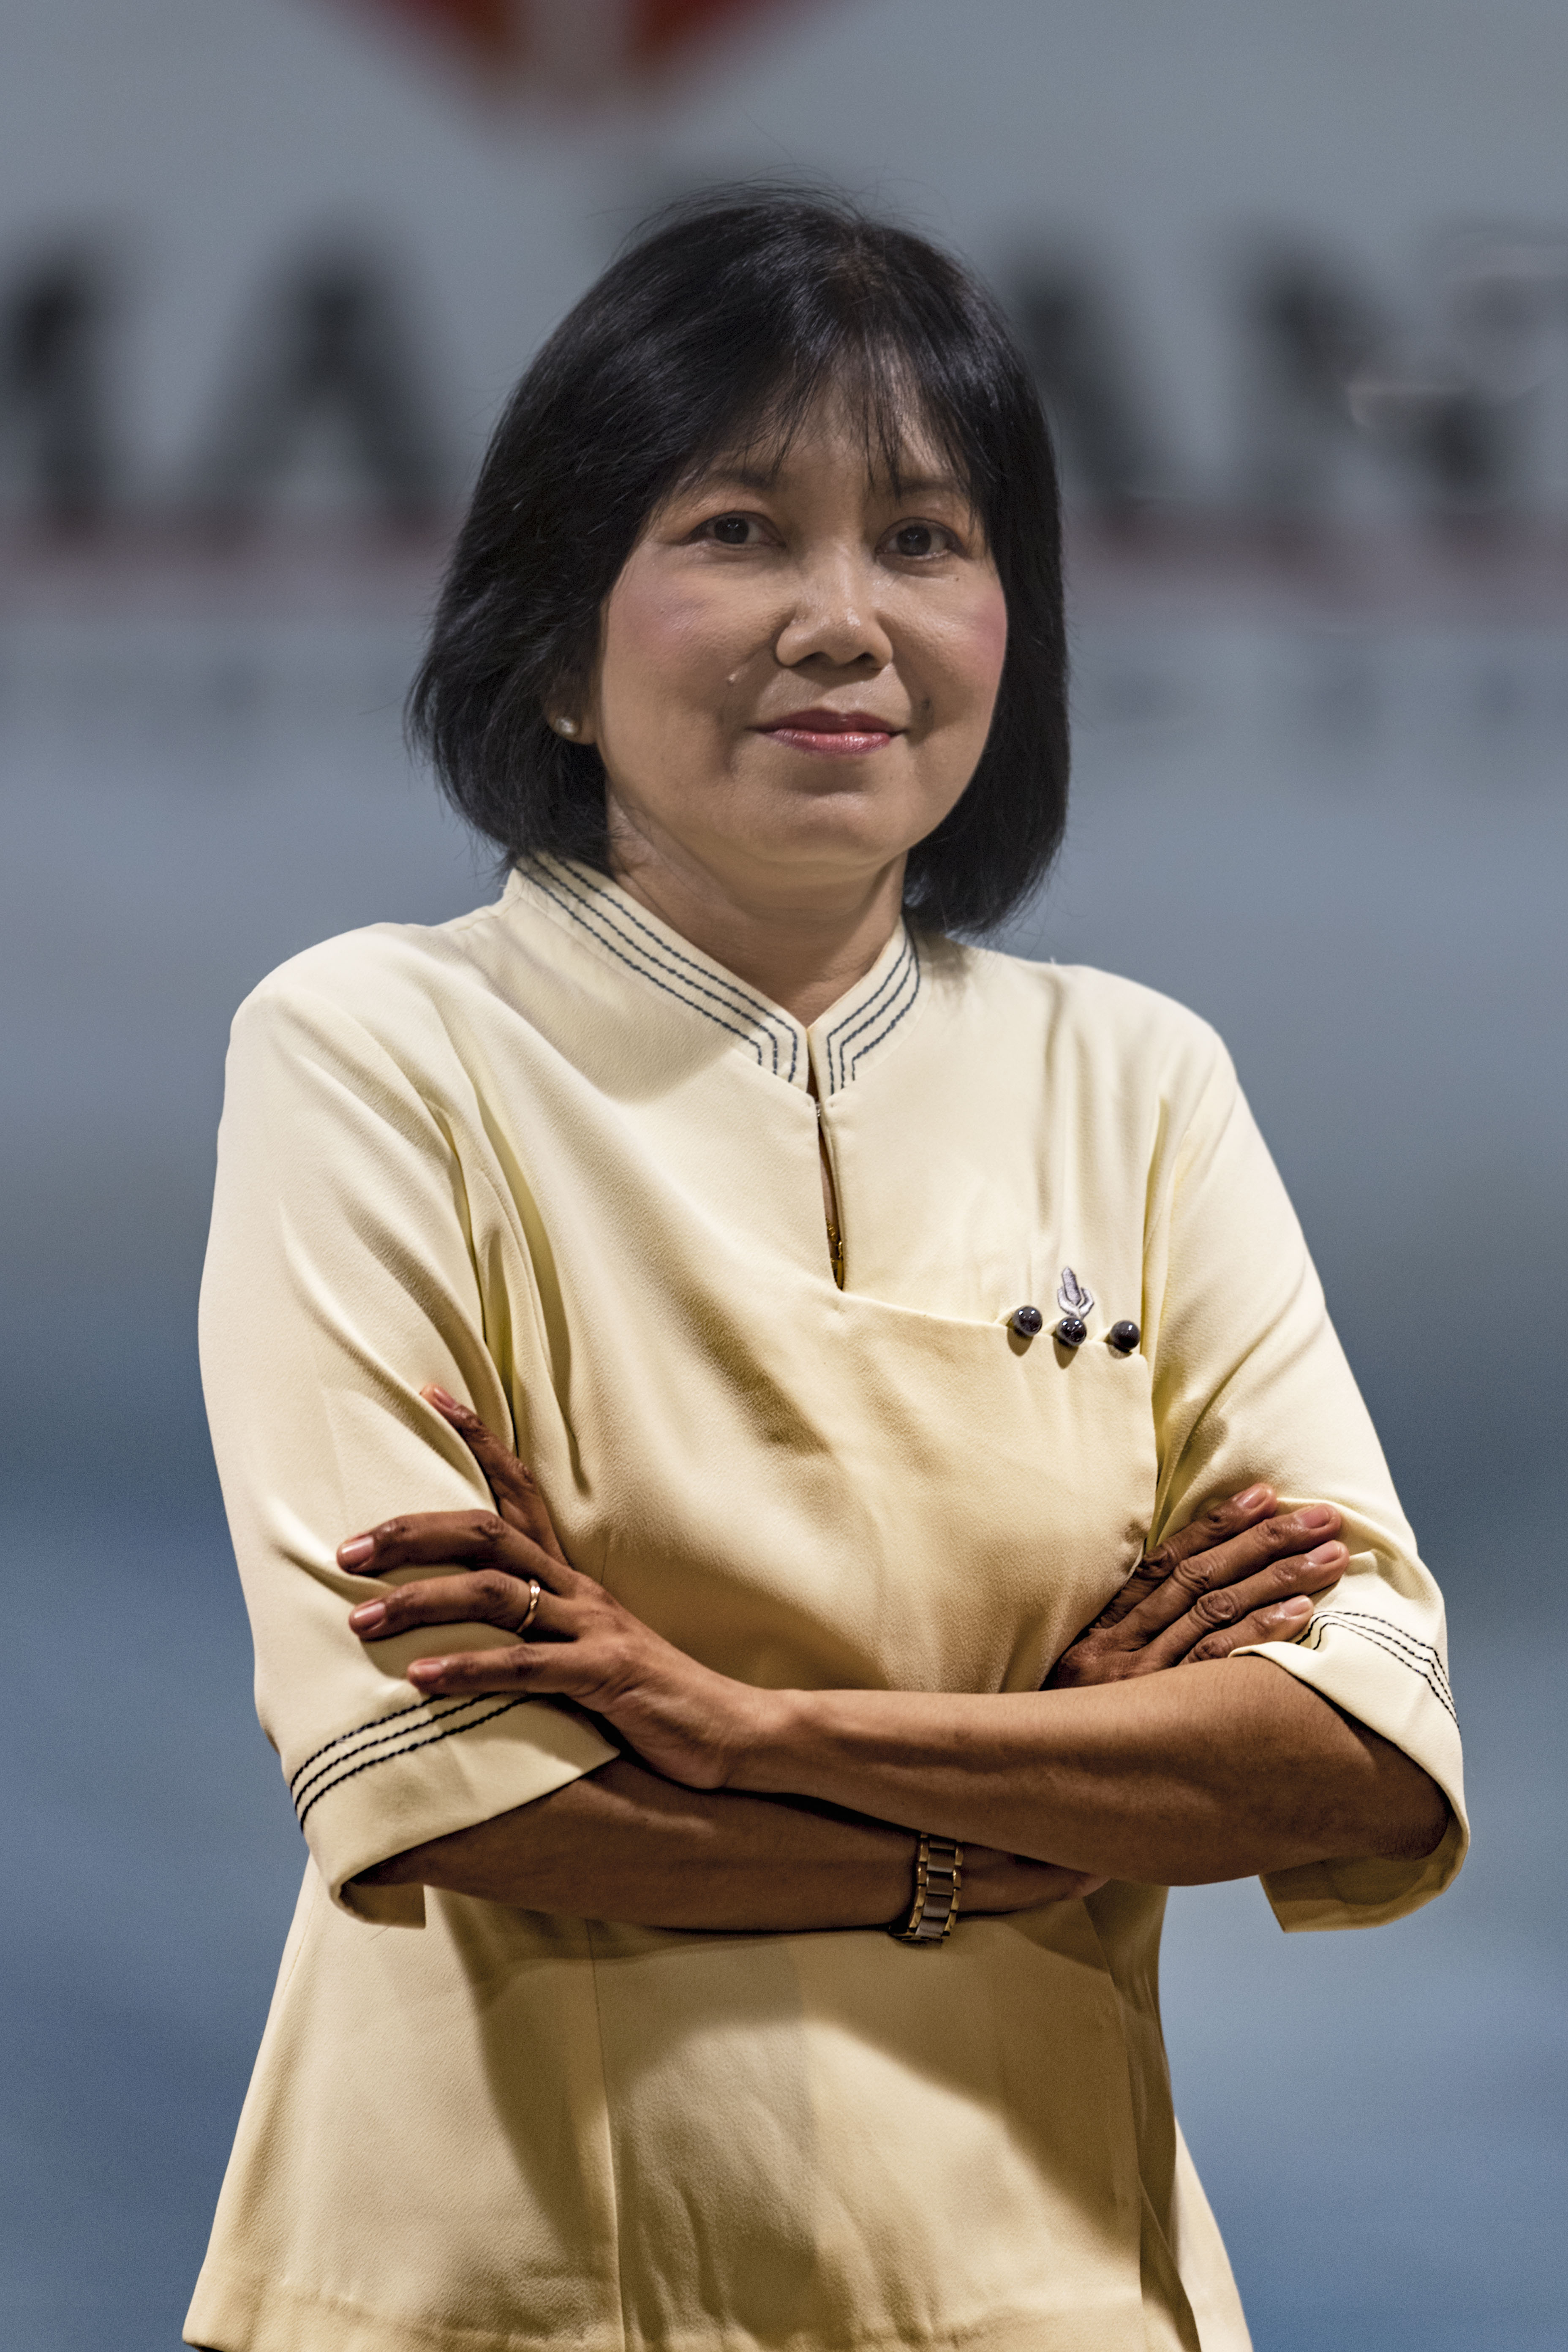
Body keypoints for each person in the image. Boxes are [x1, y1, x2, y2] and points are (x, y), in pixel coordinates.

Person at [186, 193, 1463, 2352]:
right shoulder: (373, 1048)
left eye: (927, 540)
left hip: (1058, 2290)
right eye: (738, 531)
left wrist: (743, 1725)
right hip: (493, 2292)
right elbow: (465, 1783)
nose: (844, 622)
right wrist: (1030, 1818)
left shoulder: (1136, 1080)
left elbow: (1347, 1756)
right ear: (549, 650)